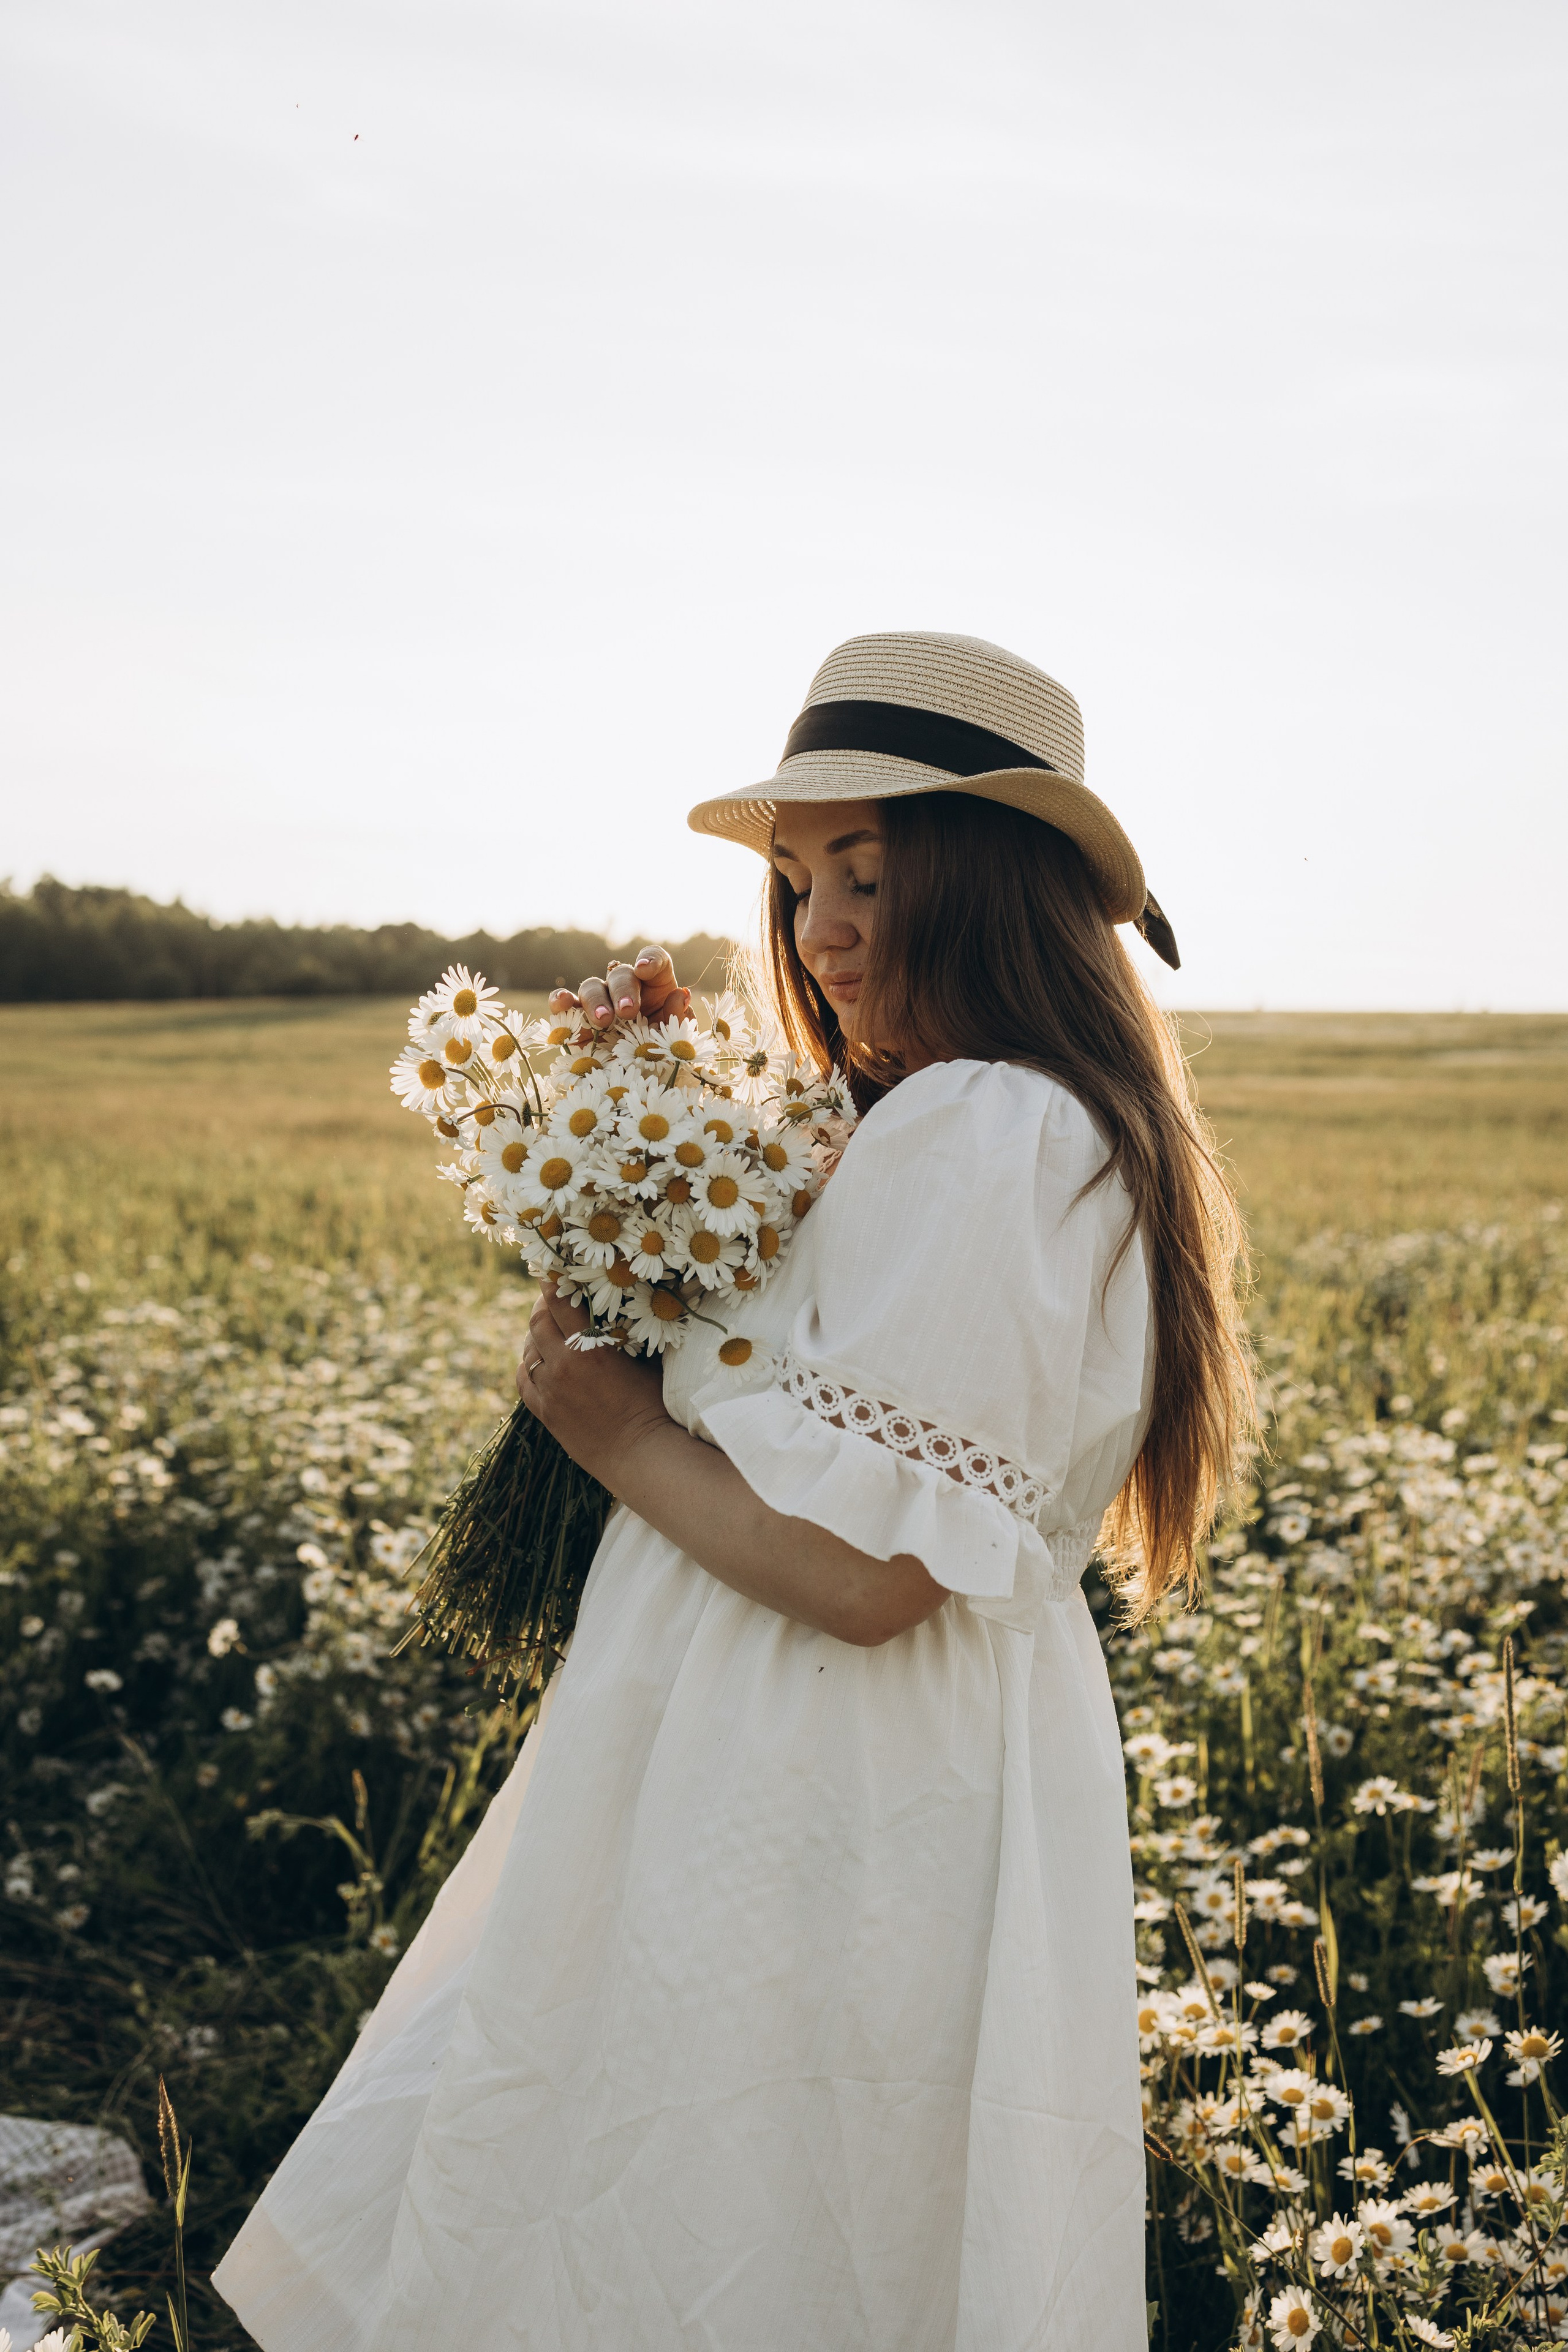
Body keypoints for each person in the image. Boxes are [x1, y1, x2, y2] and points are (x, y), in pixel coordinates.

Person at [213, 630, 1252, 2351]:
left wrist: (605, 1426)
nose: (822, 923)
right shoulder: (965, 1123)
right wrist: (655, 1110)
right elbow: (825, 1356)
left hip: (829, 1774)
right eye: (799, 877)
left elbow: (865, 1579)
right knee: (744, 2192)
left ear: (995, 886)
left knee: (743, 2193)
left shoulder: (993, 1131)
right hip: (823, 1758)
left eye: (871, 870)